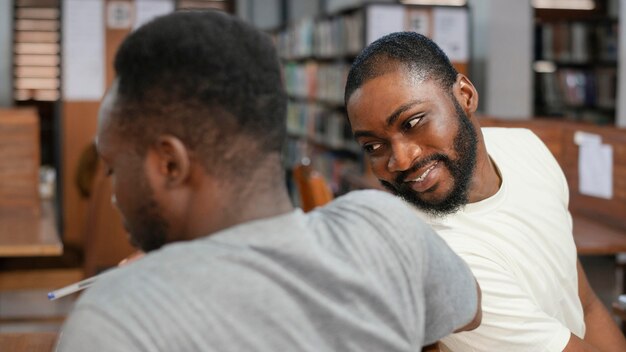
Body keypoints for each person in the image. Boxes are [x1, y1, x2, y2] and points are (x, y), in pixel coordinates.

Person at [55, 11, 482, 351]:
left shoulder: (118, 318)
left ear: (170, 164)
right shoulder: (382, 223)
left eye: (113, 168)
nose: (113, 195)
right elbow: (468, 309)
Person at [344, 31, 626, 351]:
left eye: (413, 122)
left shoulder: (524, 148)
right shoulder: (439, 260)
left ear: (465, 95)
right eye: (373, 146)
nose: (400, 160)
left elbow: (584, 302)